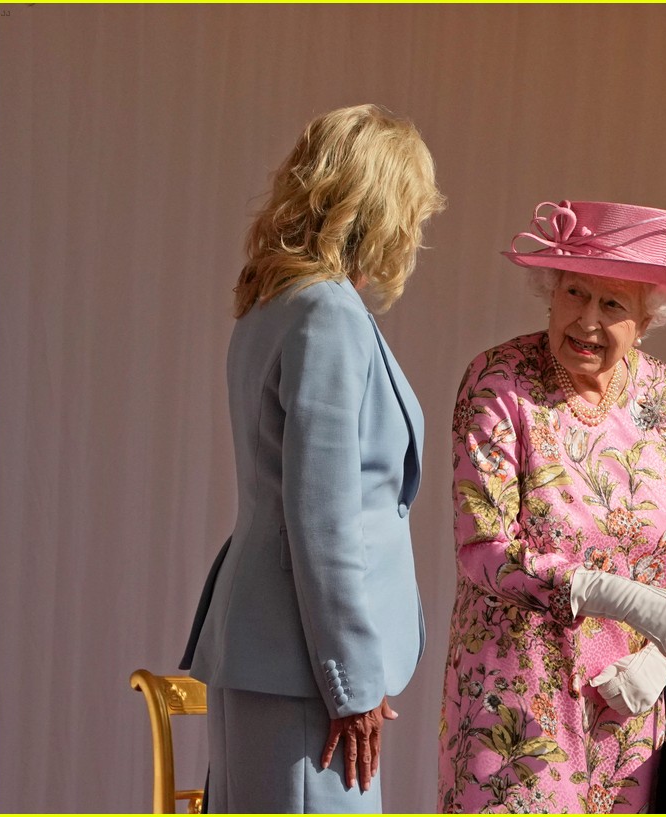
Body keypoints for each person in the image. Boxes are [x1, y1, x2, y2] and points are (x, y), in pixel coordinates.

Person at [179, 104, 446, 812]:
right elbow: (323, 518)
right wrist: (352, 683)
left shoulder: (272, 301)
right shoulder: (326, 313)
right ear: (385, 206)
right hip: (304, 665)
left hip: (273, 650)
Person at [437, 200, 666, 813]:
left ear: (648, 318)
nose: (587, 321)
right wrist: (614, 594)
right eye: (574, 293)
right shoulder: (500, 382)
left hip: (630, 703)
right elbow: (481, 548)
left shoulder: (665, 391)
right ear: (550, 291)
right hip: (520, 704)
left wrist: (658, 659)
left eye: (613, 304)